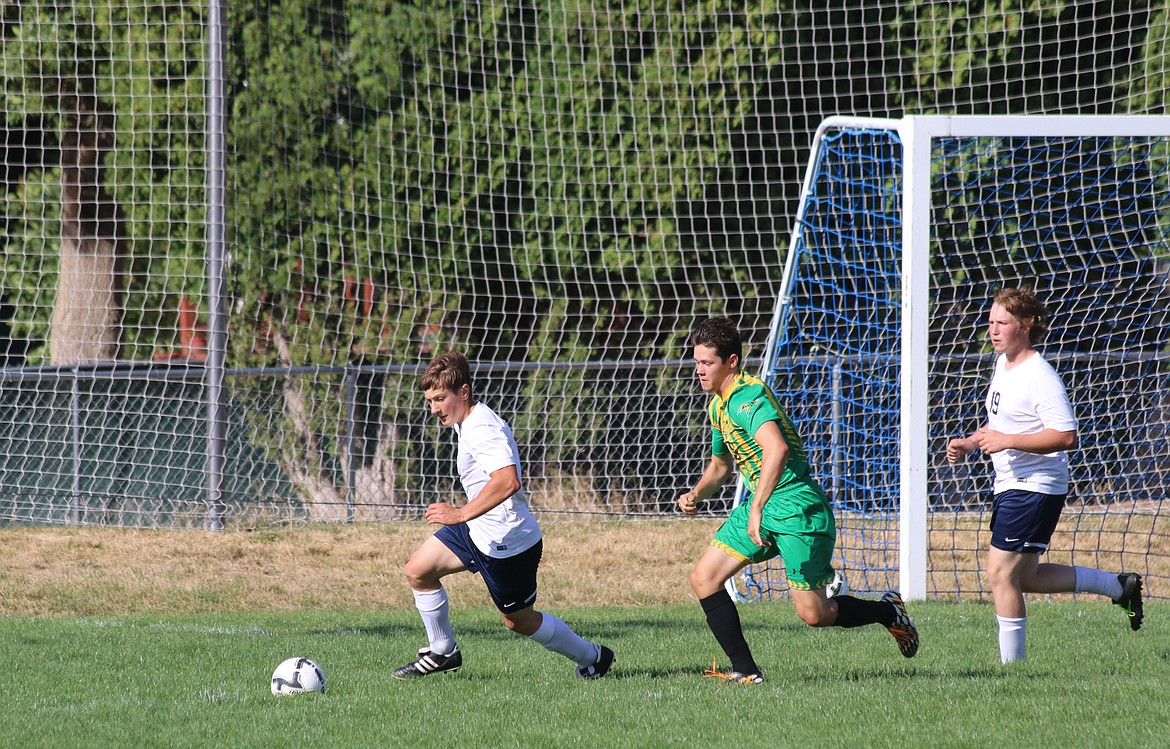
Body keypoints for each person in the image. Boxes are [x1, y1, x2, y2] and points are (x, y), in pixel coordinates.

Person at [679, 317, 919, 685]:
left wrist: (756, 508)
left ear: (732, 362)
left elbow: (777, 449)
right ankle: (746, 671)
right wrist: (696, 494)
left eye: (707, 362)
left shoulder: (747, 397)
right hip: (764, 505)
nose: (699, 370)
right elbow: (720, 465)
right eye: (696, 362)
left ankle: (887, 612)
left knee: (814, 615)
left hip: (796, 507)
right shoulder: (719, 406)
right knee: (704, 577)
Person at [946, 287, 1143, 664]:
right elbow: (1001, 424)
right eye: (990, 322)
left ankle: (1013, 671)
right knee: (1027, 577)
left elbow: (1065, 435)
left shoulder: (1040, 376)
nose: (993, 329)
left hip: (1034, 487)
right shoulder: (1003, 364)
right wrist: (972, 442)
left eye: (1002, 322)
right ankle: (1119, 587)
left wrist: (1008, 441)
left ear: (1026, 325)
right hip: (1010, 484)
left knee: (1000, 574)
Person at [392, 351, 614, 679]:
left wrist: (459, 514)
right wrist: (465, 518)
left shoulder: (481, 427)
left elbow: (508, 480)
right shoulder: (465, 420)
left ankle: (593, 655)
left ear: (464, 392)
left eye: (440, 399)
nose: (434, 409)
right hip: (478, 529)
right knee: (418, 571)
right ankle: (442, 651)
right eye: (430, 400)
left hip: (508, 542)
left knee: (518, 621)